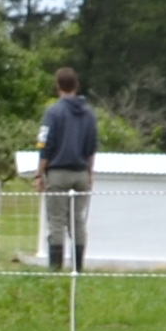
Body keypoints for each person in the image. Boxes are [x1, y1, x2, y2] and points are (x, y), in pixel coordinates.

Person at [35, 65, 101, 272]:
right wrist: (90, 173)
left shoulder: (52, 112)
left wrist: (39, 174)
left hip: (58, 173)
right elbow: (92, 147)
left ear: (58, 87)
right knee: (77, 220)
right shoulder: (89, 114)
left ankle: (55, 268)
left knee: (56, 221)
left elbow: (45, 145)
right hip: (81, 173)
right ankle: (77, 267)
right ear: (76, 85)